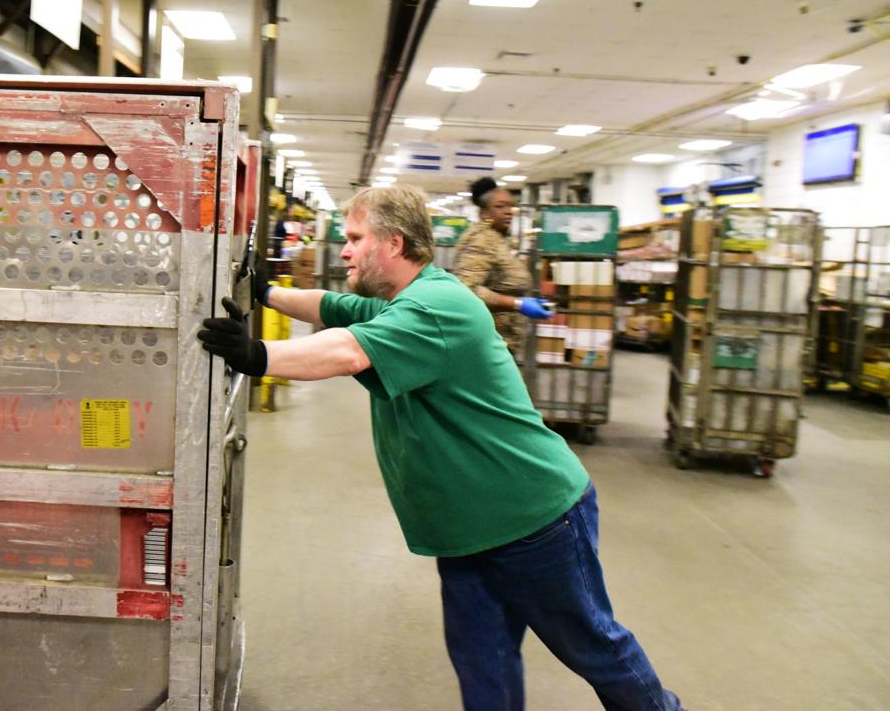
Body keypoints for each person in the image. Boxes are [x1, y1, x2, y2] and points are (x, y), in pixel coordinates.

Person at [198, 185, 681, 711]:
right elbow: (334, 307)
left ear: (394, 244)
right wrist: (266, 292)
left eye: (356, 238)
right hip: (467, 529)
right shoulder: (401, 300)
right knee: (484, 661)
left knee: (595, 649)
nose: (343, 249)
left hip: (533, 519)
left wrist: (257, 354)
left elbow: (347, 351)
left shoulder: (436, 306)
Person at [452, 177, 552, 357]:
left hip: (500, 343)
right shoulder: (483, 240)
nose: (508, 212)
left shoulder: (498, 238)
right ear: (484, 213)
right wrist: (517, 304)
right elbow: (464, 290)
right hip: (485, 344)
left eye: (510, 206)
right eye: (500, 207)